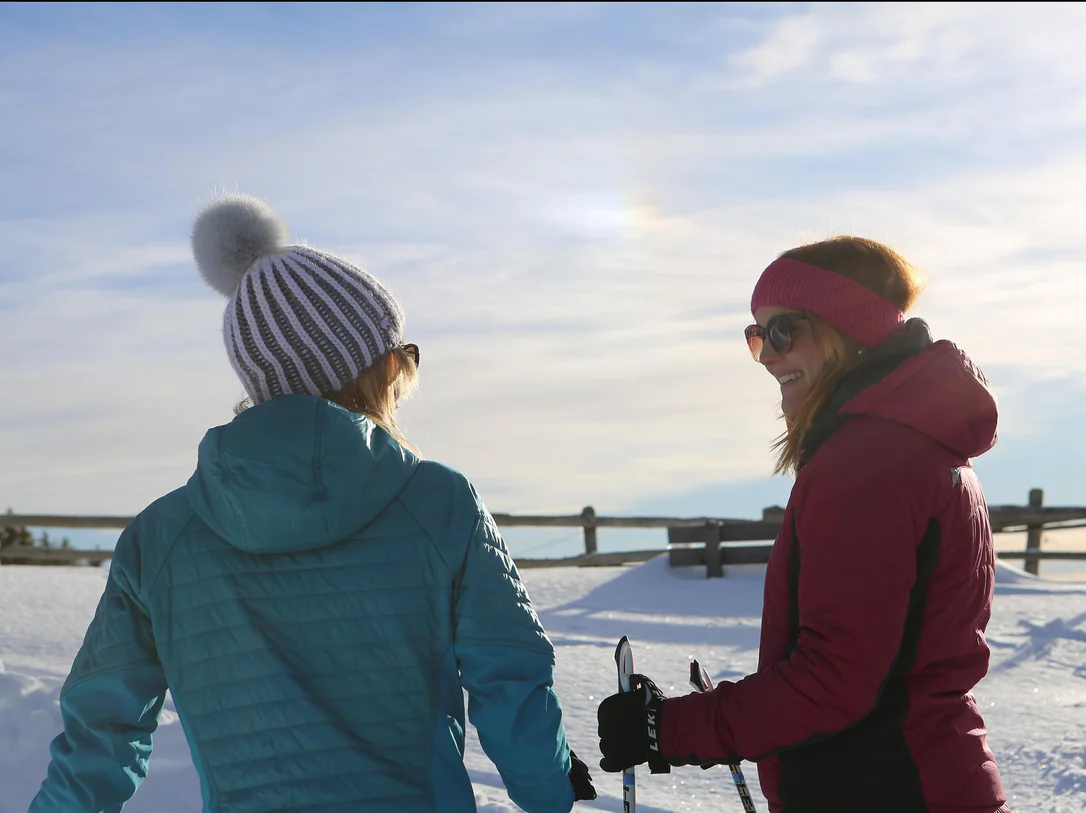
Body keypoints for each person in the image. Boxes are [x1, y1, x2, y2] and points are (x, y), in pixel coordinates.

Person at [30, 193, 596, 813]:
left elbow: (100, 739)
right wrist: (551, 787)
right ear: (377, 369)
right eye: (403, 355)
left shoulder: (160, 538)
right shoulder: (440, 504)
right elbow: (510, 678)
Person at [596, 237, 1009, 812]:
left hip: (886, 791)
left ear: (848, 329)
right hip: (925, 779)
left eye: (782, 331)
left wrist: (666, 728)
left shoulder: (869, 465)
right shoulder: (918, 448)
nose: (766, 354)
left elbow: (833, 682)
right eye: (756, 336)